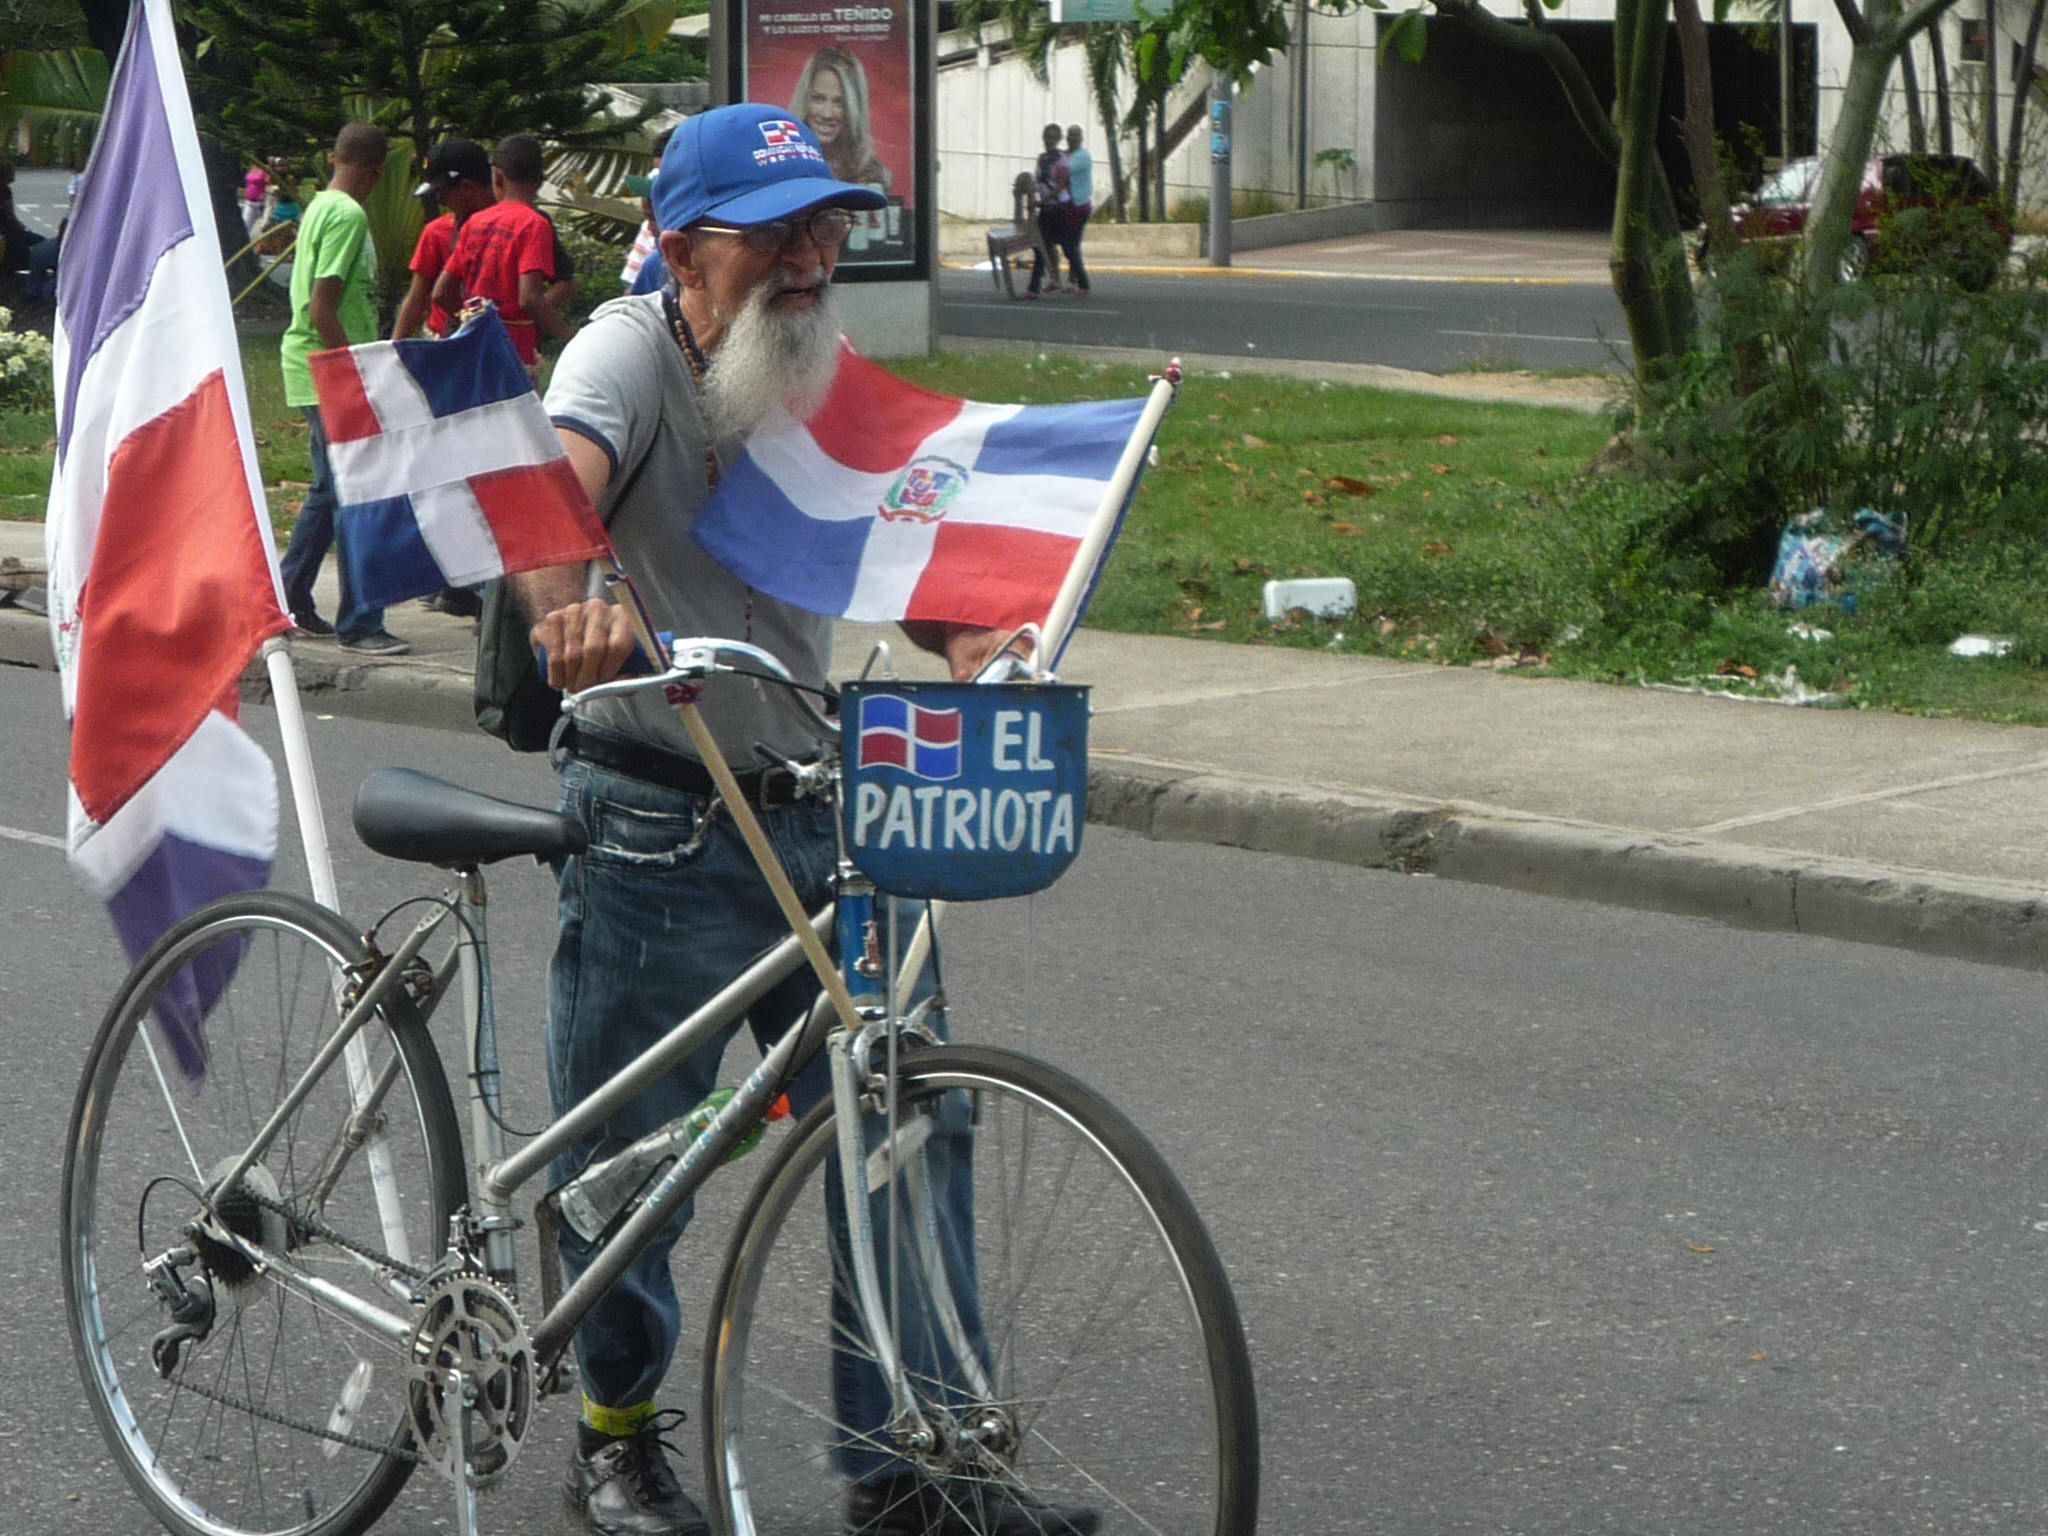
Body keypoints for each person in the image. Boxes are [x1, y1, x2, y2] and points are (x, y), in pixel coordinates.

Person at [516, 102, 1096, 1536]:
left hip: (828, 808)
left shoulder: (808, 367)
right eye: (777, 231)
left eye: (827, 225)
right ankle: (614, 1432)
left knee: (907, 1115)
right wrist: (573, 611)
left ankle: (916, 1468)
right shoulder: (625, 353)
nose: (812, 255)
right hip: (659, 811)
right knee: (633, 1159)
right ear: (679, 247)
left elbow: (887, 535)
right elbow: (545, 504)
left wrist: (977, 647)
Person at [274, 123, 410, 655]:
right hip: (330, 368)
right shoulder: (350, 215)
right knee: (358, 494)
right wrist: (352, 373)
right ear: (376, 174)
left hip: (308, 365)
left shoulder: (320, 206)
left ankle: (287, 597)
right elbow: (322, 306)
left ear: (334, 158)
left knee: (332, 491)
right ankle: (360, 621)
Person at [433, 132, 573, 370]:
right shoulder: (533, 223)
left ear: (497, 177)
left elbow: (440, 293)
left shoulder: (474, 222)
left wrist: (470, 321)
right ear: (540, 181)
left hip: (472, 343)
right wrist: (572, 338)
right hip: (514, 350)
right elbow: (529, 298)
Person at [392, 137, 493, 342]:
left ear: (468, 187)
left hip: (500, 338)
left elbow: (562, 283)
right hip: (444, 340)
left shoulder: (514, 226)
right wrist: (394, 349)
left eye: (443, 191)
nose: (439, 199)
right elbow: (417, 297)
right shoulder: (437, 232)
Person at [790, 46, 891, 192]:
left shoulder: (872, 175)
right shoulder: (783, 165)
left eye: (839, 103)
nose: (827, 114)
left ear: (853, 108)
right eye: (818, 99)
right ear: (805, 100)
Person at [1026, 122, 1087, 299]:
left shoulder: (1061, 159)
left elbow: (1061, 184)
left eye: (1053, 138)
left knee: (1069, 248)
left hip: (1060, 208)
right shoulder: (1042, 158)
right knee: (1040, 247)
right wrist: (1033, 197)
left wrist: (1044, 200)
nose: (1049, 141)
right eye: (1047, 137)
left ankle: (1083, 283)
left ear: (1059, 139)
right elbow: (1038, 183)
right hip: (1046, 209)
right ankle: (1033, 289)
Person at [1064, 124, 1094, 281]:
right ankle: (1073, 274)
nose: (1072, 138)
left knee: (1072, 243)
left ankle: (1078, 276)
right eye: (1070, 135)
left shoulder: (1083, 156)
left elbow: (1064, 169)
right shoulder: (1066, 154)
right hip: (1067, 205)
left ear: (1081, 139)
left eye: (1076, 135)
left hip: (1080, 205)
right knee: (1071, 242)